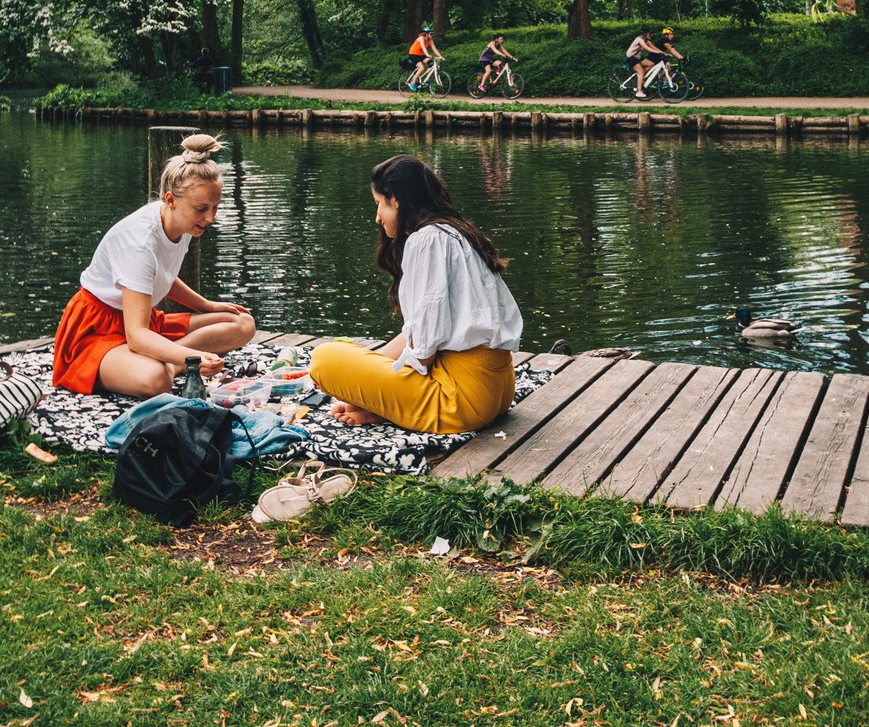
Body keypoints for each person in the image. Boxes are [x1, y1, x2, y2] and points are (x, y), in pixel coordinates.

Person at [309, 154, 523, 434]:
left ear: (395, 199)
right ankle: (390, 408)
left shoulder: (426, 241)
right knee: (358, 360)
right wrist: (370, 375)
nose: (377, 218)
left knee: (324, 359)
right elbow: (422, 329)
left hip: (459, 400)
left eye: (378, 205)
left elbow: (424, 345)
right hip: (497, 391)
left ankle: (391, 408)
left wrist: (368, 391)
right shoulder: (455, 233)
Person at [52, 134, 256, 398]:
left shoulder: (181, 223)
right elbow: (136, 335)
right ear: (170, 200)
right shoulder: (139, 242)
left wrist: (205, 305)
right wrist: (191, 356)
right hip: (97, 331)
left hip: (143, 321)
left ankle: (169, 360)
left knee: (243, 323)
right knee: (156, 380)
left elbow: (162, 276)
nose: (210, 218)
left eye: (215, 207)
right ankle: (172, 365)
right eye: (201, 209)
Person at [625, 26, 684, 98]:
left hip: (637, 57)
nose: (651, 35)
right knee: (641, 72)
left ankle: (641, 77)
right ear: (645, 34)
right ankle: (639, 91)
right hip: (631, 57)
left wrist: (663, 53)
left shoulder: (646, 41)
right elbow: (648, 49)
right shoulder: (639, 40)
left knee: (651, 64)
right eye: (649, 34)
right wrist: (657, 52)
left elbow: (653, 47)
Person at [407, 25, 444, 90]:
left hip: (420, 55)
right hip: (413, 54)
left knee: (432, 64)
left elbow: (435, 49)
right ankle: (412, 83)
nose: (432, 35)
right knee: (421, 68)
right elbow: (423, 48)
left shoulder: (430, 40)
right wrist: (427, 55)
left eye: (433, 34)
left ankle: (427, 80)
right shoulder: (421, 38)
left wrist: (440, 56)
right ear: (426, 34)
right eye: (431, 34)